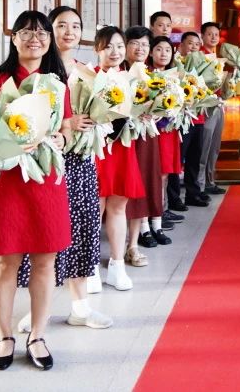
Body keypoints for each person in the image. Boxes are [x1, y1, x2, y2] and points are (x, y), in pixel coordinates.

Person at [0, 10, 73, 371]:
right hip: (6, 181)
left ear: (49, 41)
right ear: (13, 38)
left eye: (42, 33)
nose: (35, 39)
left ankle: (37, 335)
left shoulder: (56, 83)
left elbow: (67, 129)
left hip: (45, 179)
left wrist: (58, 139)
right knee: (5, 259)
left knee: (45, 259)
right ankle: (4, 335)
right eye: (27, 32)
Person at [15, 6, 111, 335]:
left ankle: (80, 307)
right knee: (41, 232)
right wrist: (67, 122)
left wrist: (95, 120)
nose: (69, 32)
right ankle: (37, 310)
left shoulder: (88, 72)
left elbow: (106, 113)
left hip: (79, 160)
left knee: (81, 226)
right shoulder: (35, 71)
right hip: (41, 162)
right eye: (61, 25)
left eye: (76, 26)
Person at [93, 26, 145, 290]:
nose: (115, 52)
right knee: (95, 207)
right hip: (97, 149)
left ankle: (117, 266)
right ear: (97, 49)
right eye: (108, 47)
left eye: (119, 46)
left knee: (118, 207)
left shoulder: (133, 79)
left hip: (122, 149)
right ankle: (90, 267)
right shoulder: (87, 78)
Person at [124, 25, 167, 267]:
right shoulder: (117, 72)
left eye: (144, 45)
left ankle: (133, 245)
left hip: (146, 138)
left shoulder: (153, 77)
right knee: (119, 192)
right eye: (134, 43)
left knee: (142, 184)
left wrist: (157, 113)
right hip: (121, 139)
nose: (140, 48)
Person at [150, 36, 185, 231]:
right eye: (159, 49)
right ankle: (153, 213)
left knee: (164, 173)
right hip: (153, 131)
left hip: (169, 131)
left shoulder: (175, 76)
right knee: (154, 174)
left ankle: (162, 210)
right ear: (151, 52)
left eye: (167, 50)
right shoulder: (146, 76)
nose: (163, 54)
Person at [178, 31, 210, 207]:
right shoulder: (176, 66)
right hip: (181, 120)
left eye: (197, 44)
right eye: (190, 43)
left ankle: (193, 193)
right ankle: (174, 198)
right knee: (178, 159)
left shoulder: (203, 67)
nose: (194, 47)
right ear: (181, 46)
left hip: (198, 118)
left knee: (194, 158)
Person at [198, 22, 227, 196]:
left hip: (218, 104)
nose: (214, 37)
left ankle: (210, 181)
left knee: (215, 146)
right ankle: (200, 184)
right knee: (205, 145)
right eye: (210, 34)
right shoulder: (199, 56)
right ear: (202, 36)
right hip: (205, 107)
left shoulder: (217, 57)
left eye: (216, 34)